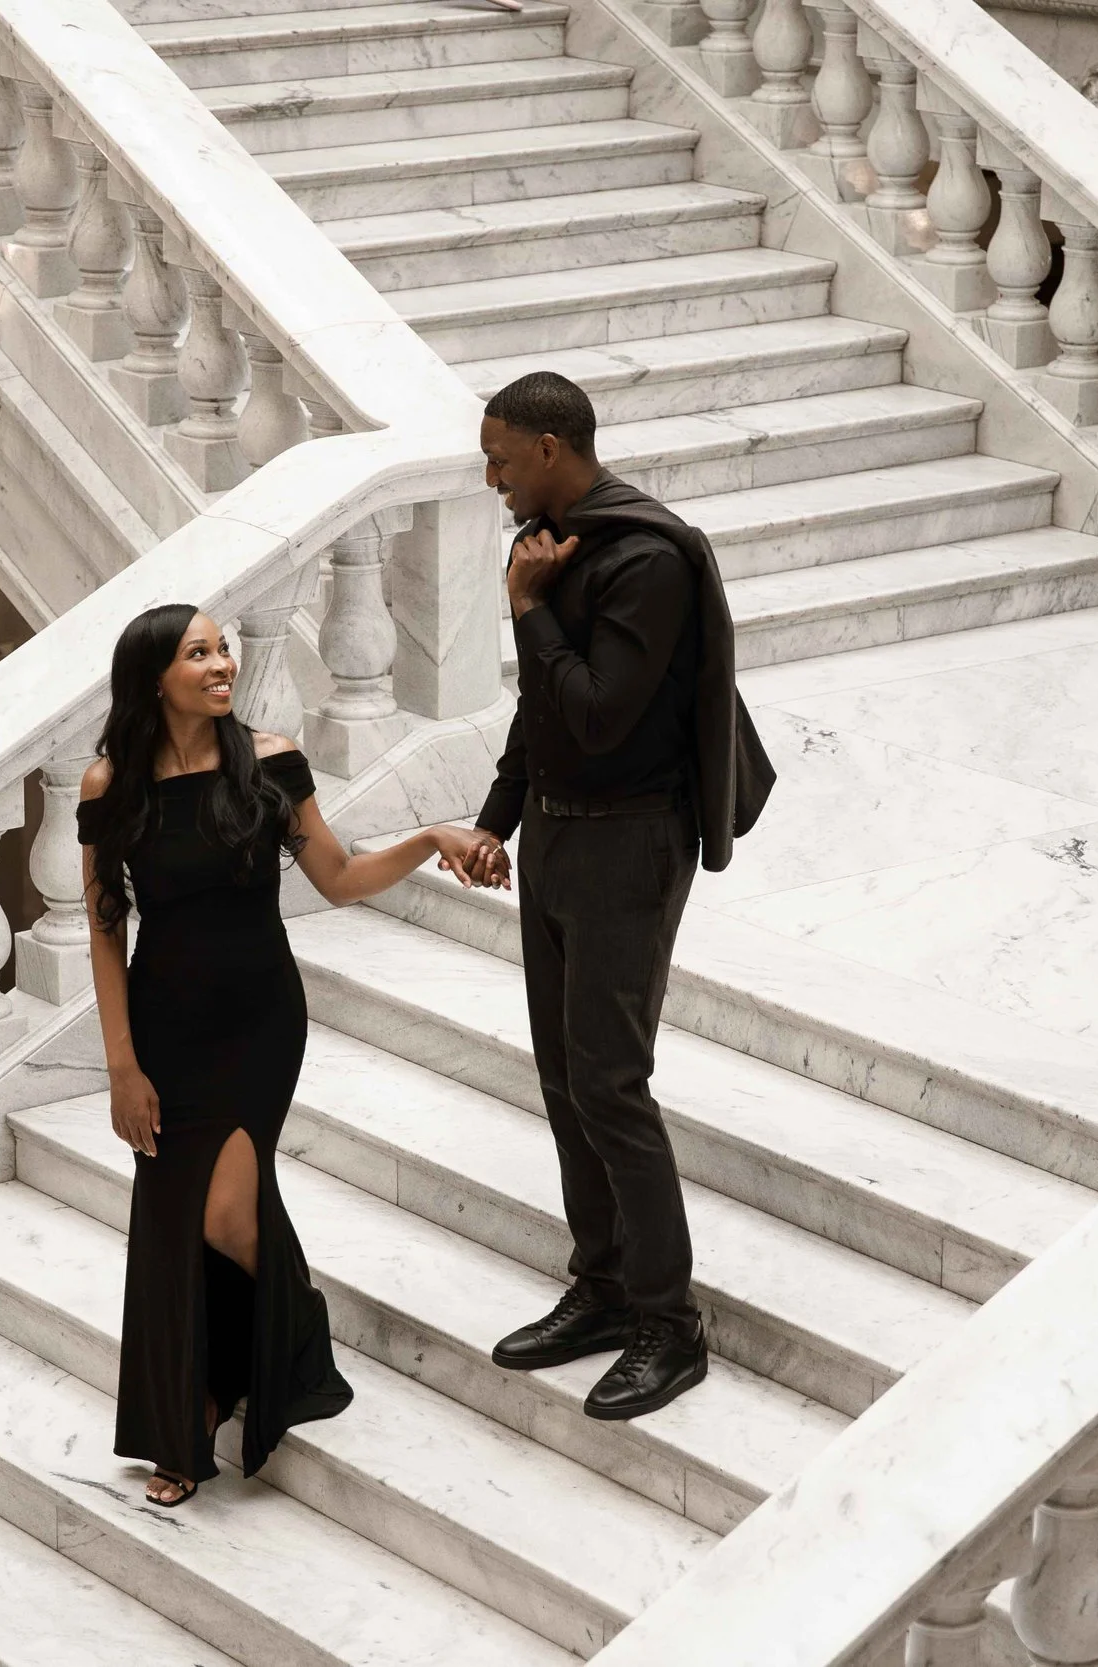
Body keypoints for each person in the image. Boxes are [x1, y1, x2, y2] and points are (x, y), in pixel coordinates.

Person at [79, 603, 497, 1507]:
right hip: (164, 1028)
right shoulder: (108, 784)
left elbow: (338, 879)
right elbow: (106, 926)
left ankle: (283, 1332)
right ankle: (197, 1401)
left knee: (226, 1215)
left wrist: (431, 837)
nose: (222, 663)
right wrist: (121, 1063)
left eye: (224, 647)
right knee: (172, 1214)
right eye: (199, 653)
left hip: (260, 1022)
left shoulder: (268, 761)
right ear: (155, 677)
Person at [465, 371, 776, 1422]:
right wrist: (495, 819)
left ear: (552, 448)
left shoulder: (646, 558)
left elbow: (596, 712)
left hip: (631, 844)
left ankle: (667, 1321)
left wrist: (529, 610)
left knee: (609, 1080)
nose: (492, 477)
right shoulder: (552, 549)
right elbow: (541, 716)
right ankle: (600, 1286)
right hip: (556, 833)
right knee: (562, 1075)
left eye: (501, 458)